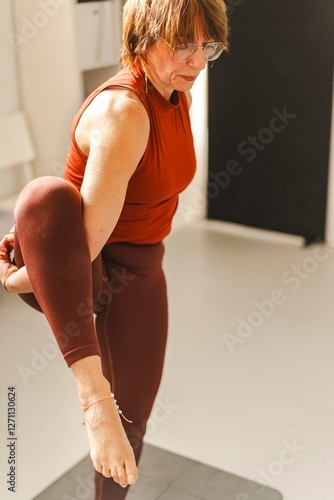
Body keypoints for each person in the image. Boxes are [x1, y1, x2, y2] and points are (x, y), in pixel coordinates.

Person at [0, 0, 229, 498]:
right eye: (183, 44)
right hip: (80, 268)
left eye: (205, 47)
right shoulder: (125, 112)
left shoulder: (177, 92)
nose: (195, 60)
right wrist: (22, 274)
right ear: (142, 35)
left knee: (137, 417)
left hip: (144, 265)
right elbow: (83, 246)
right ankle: (93, 404)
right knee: (46, 192)